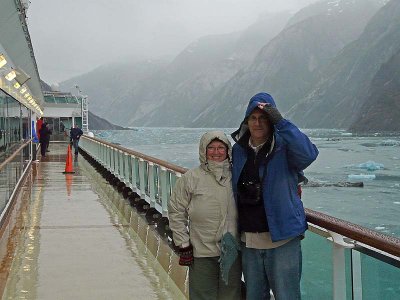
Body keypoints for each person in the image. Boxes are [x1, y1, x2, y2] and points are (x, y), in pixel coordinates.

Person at [231, 92, 319, 300]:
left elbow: (309, 154)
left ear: (271, 121)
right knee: (254, 296)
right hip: (249, 240)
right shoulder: (238, 150)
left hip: (282, 238)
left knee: (286, 295)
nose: (258, 123)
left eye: (264, 118)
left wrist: (282, 122)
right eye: (253, 118)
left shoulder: (284, 147)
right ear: (246, 121)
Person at [168, 131, 242, 300]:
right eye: (211, 148)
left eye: (221, 148)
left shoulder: (236, 176)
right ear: (203, 150)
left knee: (231, 295)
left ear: (228, 150)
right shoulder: (191, 178)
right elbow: (176, 210)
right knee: (202, 295)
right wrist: (183, 243)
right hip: (201, 250)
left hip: (232, 249)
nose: (216, 152)